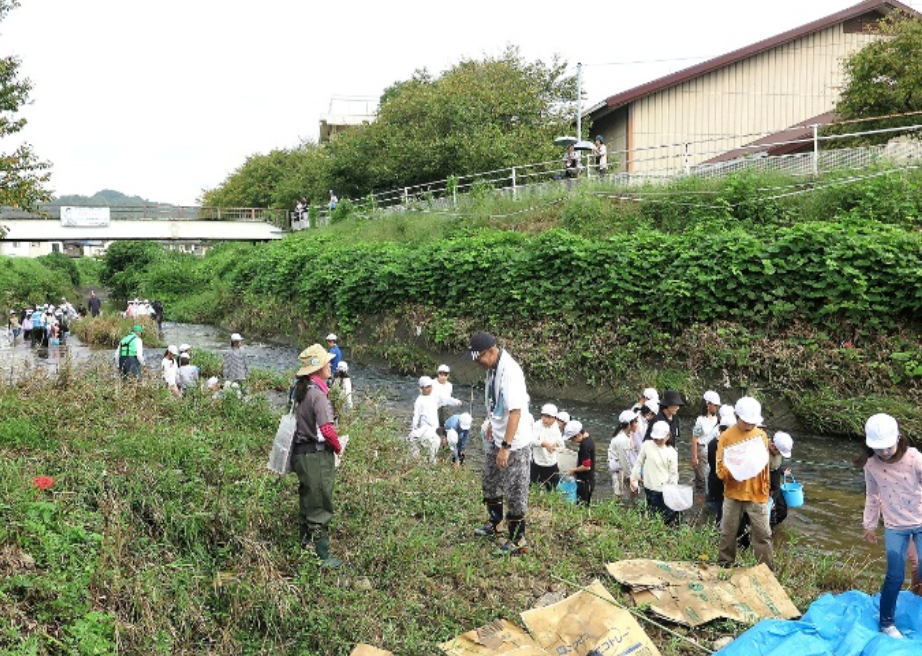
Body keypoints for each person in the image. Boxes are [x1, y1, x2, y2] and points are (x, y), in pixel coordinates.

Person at [859, 413, 922, 639]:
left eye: (888, 447)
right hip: (895, 527)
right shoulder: (871, 465)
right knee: (894, 576)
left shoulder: (914, 459)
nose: (884, 453)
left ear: (898, 438)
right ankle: (887, 622)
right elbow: (872, 496)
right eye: (879, 449)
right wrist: (869, 524)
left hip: (921, 521)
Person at [470, 331, 532, 556]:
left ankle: (518, 540)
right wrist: (490, 423)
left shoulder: (510, 372)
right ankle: (495, 522)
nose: (478, 363)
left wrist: (506, 447)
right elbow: (496, 402)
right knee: (490, 480)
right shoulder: (493, 367)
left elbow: (515, 412)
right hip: (497, 435)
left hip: (514, 442)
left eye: (480, 358)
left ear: (491, 351)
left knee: (515, 491)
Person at [290, 344, 344, 568]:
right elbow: (327, 430)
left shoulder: (301, 391)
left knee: (307, 500)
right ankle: (323, 557)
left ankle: (304, 547)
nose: (330, 365)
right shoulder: (318, 395)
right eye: (326, 362)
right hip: (316, 456)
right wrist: (338, 447)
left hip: (301, 455)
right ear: (317, 368)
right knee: (320, 502)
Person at [716, 396, 773, 570]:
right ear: (736, 416)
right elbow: (720, 468)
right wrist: (734, 472)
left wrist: (767, 489)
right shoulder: (726, 437)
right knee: (728, 532)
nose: (749, 426)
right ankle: (725, 565)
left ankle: (765, 570)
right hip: (733, 492)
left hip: (757, 493)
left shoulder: (761, 436)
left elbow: (764, 467)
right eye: (745, 422)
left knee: (762, 534)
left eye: (752, 423)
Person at [631, 420, 679, 524]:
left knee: (667, 517)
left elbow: (673, 474)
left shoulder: (672, 452)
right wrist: (633, 478)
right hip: (649, 487)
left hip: (665, 490)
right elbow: (639, 462)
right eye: (655, 439)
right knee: (652, 514)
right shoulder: (647, 445)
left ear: (667, 437)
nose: (657, 441)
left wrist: (673, 490)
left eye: (660, 439)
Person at [409, 375, 461, 464]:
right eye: (427, 387)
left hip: (435, 428)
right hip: (424, 429)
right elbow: (416, 417)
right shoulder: (419, 401)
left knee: (434, 447)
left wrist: (456, 402)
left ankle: (431, 463)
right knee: (427, 448)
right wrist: (413, 428)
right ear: (421, 388)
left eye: (430, 386)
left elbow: (446, 399)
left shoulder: (435, 396)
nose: (429, 389)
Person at [707, 404, 736, 524]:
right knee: (723, 510)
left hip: (714, 479)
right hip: (724, 483)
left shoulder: (712, 443)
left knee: (717, 508)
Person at [692, 391, 721, 495]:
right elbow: (694, 438)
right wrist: (694, 457)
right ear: (708, 404)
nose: (717, 408)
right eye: (715, 405)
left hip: (712, 451)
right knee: (701, 479)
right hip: (701, 450)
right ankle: (699, 498)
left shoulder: (716, 419)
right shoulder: (700, 420)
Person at [530, 403, 564, 491]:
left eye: (548, 417)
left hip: (551, 462)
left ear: (554, 418)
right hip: (537, 462)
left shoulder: (555, 426)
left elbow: (561, 443)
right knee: (533, 485)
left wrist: (557, 444)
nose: (545, 419)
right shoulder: (537, 425)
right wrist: (543, 443)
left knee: (551, 487)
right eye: (543, 416)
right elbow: (530, 441)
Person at [609, 410, 638, 503]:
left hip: (619, 466)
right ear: (629, 425)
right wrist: (630, 477)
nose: (637, 424)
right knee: (619, 493)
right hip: (617, 467)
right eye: (636, 422)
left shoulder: (625, 435)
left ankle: (628, 505)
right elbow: (624, 460)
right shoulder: (622, 440)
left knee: (628, 490)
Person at [565, 421, 596, 506]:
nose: (572, 441)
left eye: (572, 439)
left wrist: (574, 470)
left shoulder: (584, 446)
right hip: (590, 479)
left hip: (585, 481)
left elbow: (586, 466)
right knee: (586, 503)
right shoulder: (589, 438)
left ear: (578, 435)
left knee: (582, 504)